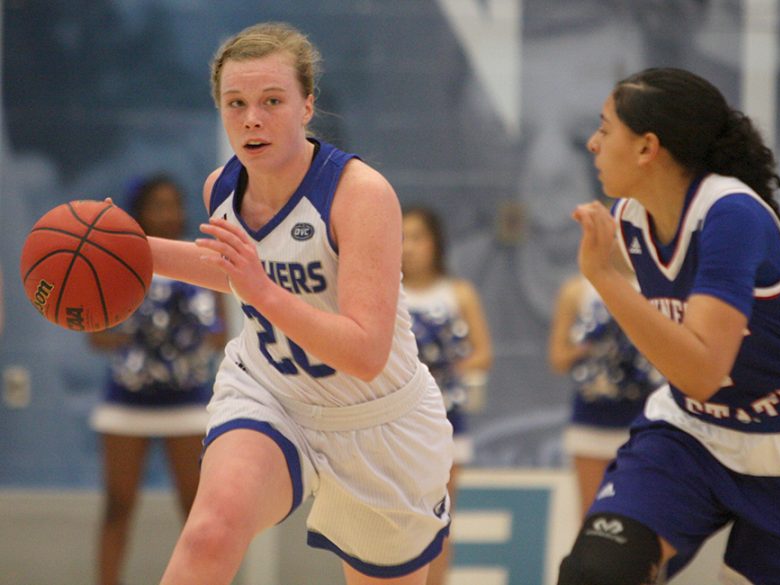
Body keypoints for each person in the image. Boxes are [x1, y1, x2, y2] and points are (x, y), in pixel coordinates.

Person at [145, 22, 453, 585]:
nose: (251, 118)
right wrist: (131, 253)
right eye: (235, 103)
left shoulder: (360, 193)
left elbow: (364, 353)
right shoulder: (223, 187)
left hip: (378, 421)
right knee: (211, 531)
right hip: (271, 392)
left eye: (272, 101)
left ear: (308, 105)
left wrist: (261, 290)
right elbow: (230, 270)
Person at [557, 67, 780, 585]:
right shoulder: (632, 216)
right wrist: (610, 270)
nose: (592, 144)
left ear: (646, 148)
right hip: (692, 435)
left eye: (605, 128)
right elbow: (691, 372)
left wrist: (603, 277)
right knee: (597, 572)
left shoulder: (731, 215)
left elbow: (703, 368)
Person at [88, 175, 227, 585]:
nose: (170, 213)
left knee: (197, 512)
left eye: (175, 204)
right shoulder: (118, 263)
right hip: (126, 402)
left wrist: (180, 338)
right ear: (141, 211)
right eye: (159, 205)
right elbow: (96, 337)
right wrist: (141, 334)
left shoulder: (202, 259)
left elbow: (218, 334)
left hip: (187, 403)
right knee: (117, 505)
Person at [400, 205, 493, 585]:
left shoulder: (459, 292)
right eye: (400, 237)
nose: (407, 247)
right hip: (395, 421)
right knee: (395, 518)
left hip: (446, 420)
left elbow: (483, 353)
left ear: (435, 243)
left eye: (417, 237)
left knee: (437, 518)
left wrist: (444, 368)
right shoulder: (385, 291)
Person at [547, 255, 662, 516]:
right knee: (592, 514)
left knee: (645, 517)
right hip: (591, 417)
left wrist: (633, 347)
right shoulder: (577, 290)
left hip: (644, 418)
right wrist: (593, 343)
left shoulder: (656, 287)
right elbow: (558, 359)